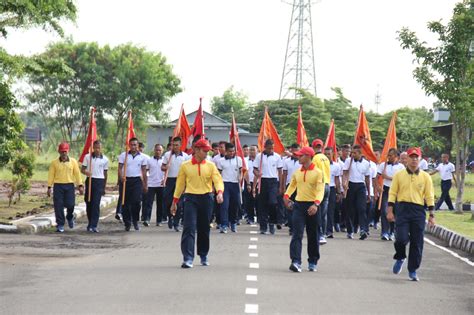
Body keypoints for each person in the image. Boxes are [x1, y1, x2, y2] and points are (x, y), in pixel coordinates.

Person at [172, 139, 224, 268]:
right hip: (190, 199)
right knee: (189, 227)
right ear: (196, 150)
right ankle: (188, 258)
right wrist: (175, 201)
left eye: (208, 151)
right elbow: (180, 185)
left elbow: (217, 180)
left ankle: (203, 254)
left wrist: (219, 192)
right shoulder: (185, 166)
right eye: (204, 150)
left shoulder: (211, 166)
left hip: (206, 198)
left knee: (204, 228)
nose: (207, 153)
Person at [388, 147, 435, 281]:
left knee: (417, 241)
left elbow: (429, 196)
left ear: (420, 159)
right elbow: (392, 193)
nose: (414, 160)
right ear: (406, 159)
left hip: (418, 210)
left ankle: (413, 270)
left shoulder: (425, 177)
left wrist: (432, 215)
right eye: (411, 157)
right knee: (401, 238)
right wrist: (390, 210)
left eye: (416, 157)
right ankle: (400, 256)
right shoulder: (399, 175)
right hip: (402, 209)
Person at [283, 146, 324, 272]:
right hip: (299, 206)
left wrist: (316, 204)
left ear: (308, 156)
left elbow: (320, 190)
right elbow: (292, 186)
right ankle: (296, 261)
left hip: (313, 206)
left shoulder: (318, 173)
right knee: (297, 234)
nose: (298, 157)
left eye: (301, 155)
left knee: (313, 235)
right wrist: (286, 196)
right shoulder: (297, 172)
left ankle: (313, 261)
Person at [47, 142, 84, 233]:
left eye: (65, 151)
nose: (64, 153)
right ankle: (60, 224)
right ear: (59, 151)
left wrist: (80, 185)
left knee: (70, 204)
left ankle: (70, 217)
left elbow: (77, 174)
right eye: (62, 151)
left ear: (68, 151)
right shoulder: (54, 163)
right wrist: (49, 187)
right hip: (58, 186)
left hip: (69, 185)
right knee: (58, 206)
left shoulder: (73, 162)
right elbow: (51, 175)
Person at [253, 139, 283, 235]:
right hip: (262, 181)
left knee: (273, 203)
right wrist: (258, 174)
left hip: (273, 182)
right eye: (269, 148)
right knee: (262, 205)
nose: (271, 150)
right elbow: (254, 170)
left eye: (272, 148)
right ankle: (263, 226)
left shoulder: (277, 157)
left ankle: (272, 222)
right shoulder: (259, 156)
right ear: (265, 147)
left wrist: (281, 186)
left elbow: (280, 172)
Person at [118, 137, 148, 231]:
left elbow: (144, 171)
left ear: (138, 146)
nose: (133, 146)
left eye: (135, 145)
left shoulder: (142, 157)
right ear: (129, 145)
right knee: (125, 203)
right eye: (131, 145)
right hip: (126, 180)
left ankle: (135, 220)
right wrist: (121, 177)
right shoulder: (124, 155)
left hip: (137, 181)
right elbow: (119, 168)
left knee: (136, 202)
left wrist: (145, 184)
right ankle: (127, 222)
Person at [342, 145, 371, 240]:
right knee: (350, 209)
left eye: (355, 153)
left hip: (361, 187)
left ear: (360, 153)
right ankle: (350, 230)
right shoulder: (348, 161)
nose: (352, 154)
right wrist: (344, 183)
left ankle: (363, 229)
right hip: (350, 185)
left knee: (361, 208)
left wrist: (368, 192)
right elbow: (345, 173)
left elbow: (367, 178)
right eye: (352, 153)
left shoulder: (366, 163)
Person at [162, 137, 190, 231]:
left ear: (180, 145)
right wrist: (166, 167)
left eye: (177, 145)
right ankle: (170, 217)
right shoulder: (167, 155)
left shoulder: (185, 156)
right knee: (168, 201)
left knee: (179, 203)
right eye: (173, 145)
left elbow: (187, 171)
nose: (175, 147)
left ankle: (176, 222)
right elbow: (162, 167)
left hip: (180, 181)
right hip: (170, 180)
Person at [377, 148, 405, 241]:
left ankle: (392, 232)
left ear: (396, 156)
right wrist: (378, 186)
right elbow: (376, 177)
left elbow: (401, 180)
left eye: (391, 155)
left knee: (395, 212)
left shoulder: (401, 167)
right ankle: (385, 232)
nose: (389, 157)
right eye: (388, 155)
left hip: (397, 191)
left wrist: (387, 177)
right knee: (385, 211)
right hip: (386, 190)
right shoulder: (383, 165)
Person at [81, 140, 108, 233]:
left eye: (99, 148)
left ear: (101, 148)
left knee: (96, 204)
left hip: (99, 181)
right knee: (89, 202)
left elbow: (105, 173)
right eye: (95, 148)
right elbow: (82, 169)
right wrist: (86, 172)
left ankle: (94, 225)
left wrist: (104, 187)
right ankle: (90, 222)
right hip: (90, 180)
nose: (97, 150)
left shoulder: (105, 159)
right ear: (93, 148)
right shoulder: (88, 157)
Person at [217, 142, 244, 233]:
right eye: (229, 151)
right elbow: (219, 174)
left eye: (233, 151)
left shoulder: (238, 159)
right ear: (226, 151)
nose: (231, 153)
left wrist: (240, 177)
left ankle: (233, 222)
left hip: (235, 184)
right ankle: (224, 224)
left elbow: (241, 171)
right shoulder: (221, 161)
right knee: (224, 205)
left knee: (235, 204)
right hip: (225, 184)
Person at [311, 139, 331, 245]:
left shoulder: (314, 158)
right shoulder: (326, 158)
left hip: (319, 186)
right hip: (327, 185)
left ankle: (319, 235)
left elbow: (314, 173)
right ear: (322, 147)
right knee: (324, 212)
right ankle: (323, 234)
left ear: (313, 147)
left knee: (317, 212)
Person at [281, 143, 301, 235]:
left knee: (298, 207)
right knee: (289, 207)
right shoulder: (286, 161)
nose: (295, 152)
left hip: (300, 186)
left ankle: (297, 227)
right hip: (289, 186)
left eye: (297, 150)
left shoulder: (302, 161)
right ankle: (291, 227)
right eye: (293, 150)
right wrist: (282, 186)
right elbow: (284, 174)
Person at [145, 144, 165, 226]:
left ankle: (159, 221)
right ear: (154, 150)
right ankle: (147, 219)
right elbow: (146, 171)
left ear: (162, 151)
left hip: (161, 185)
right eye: (156, 150)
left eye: (160, 150)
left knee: (160, 204)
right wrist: (146, 182)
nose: (158, 152)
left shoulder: (165, 160)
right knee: (149, 203)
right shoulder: (149, 160)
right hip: (151, 184)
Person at [324, 146, 341, 238]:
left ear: (332, 154)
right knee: (322, 211)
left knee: (330, 210)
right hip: (321, 188)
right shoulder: (320, 165)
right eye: (325, 154)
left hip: (331, 189)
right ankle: (321, 230)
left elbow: (337, 179)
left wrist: (339, 192)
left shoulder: (336, 166)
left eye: (329, 154)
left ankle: (329, 231)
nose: (327, 156)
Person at [244, 145, 258, 224]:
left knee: (258, 201)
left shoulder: (259, 159)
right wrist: (248, 183)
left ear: (257, 150)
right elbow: (245, 172)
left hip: (258, 183)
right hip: (248, 182)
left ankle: (260, 218)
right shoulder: (245, 160)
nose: (252, 151)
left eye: (253, 150)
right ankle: (250, 218)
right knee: (249, 202)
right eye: (250, 150)